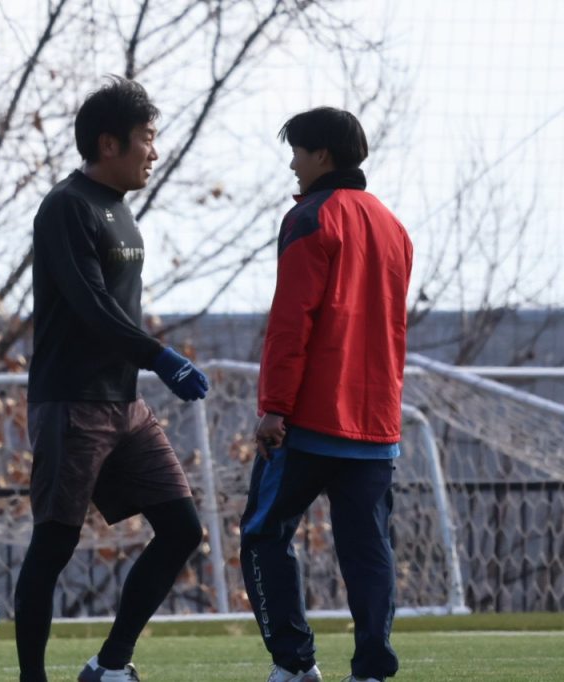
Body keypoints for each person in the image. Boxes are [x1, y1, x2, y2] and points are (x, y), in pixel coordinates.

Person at [14, 76, 209, 682]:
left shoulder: (121, 211)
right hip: (71, 403)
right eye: (146, 138)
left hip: (123, 404)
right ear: (108, 143)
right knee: (54, 545)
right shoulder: (66, 207)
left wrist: (147, 362)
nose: (155, 151)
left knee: (182, 529)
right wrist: (161, 356)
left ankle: (109, 665)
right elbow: (91, 305)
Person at [240, 107, 413, 682]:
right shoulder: (393, 226)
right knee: (369, 548)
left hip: (311, 417)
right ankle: (372, 668)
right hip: (377, 421)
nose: (292, 164)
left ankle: (294, 664)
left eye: (297, 152)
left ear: (321, 155)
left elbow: (292, 321)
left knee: (263, 534)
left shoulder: (311, 217)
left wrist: (275, 407)